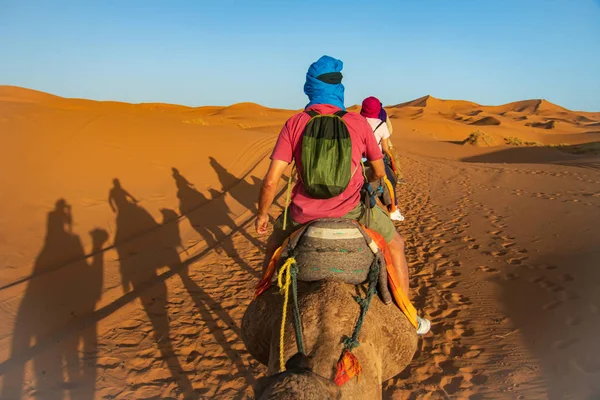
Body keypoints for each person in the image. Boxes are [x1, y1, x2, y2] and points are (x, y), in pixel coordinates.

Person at [255, 55, 429, 335]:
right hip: (355, 213)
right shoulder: (358, 123)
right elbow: (378, 171)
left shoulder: (295, 123)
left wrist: (263, 214)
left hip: (302, 215)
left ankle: (263, 302)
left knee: (275, 242)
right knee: (396, 243)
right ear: (339, 88)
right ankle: (406, 314)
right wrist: (369, 180)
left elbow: (271, 181)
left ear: (309, 87)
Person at [360, 96, 404, 221]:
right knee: (390, 181)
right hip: (374, 159)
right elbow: (385, 148)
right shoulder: (381, 125)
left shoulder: (357, 121)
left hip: (358, 159)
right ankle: (393, 209)